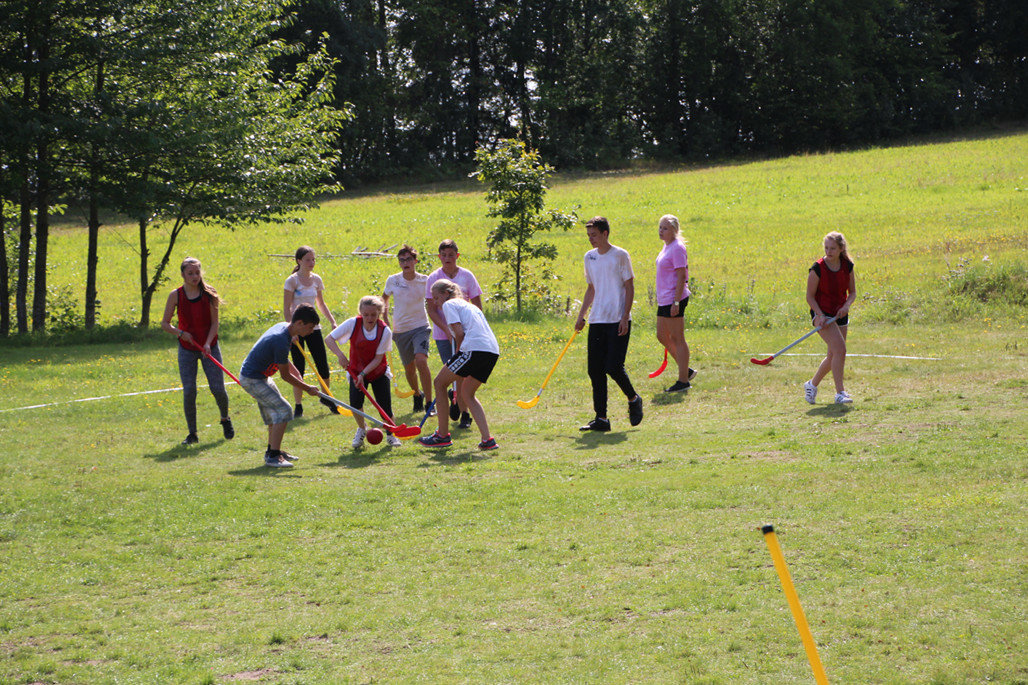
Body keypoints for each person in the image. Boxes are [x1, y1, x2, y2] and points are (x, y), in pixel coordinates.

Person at [575, 216, 643, 431]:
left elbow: (629, 287)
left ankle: (633, 399)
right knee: (595, 370)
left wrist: (625, 317)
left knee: (613, 366)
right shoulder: (589, 257)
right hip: (597, 319)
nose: (591, 239)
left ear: (605, 234)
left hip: (617, 319)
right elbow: (591, 288)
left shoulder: (620, 255)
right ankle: (601, 419)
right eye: (588, 236)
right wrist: (581, 314)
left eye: (594, 235)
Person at [418, 279, 500, 450]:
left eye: (437, 298)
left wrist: (458, 354)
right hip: (491, 351)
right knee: (467, 392)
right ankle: (487, 440)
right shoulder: (469, 306)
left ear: (446, 294)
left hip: (473, 349)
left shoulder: (450, 305)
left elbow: (459, 333)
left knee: (439, 383)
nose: (437, 303)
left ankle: (442, 436)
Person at [160, 257, 234, 445]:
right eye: (190, 273)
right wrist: (180, 333)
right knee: (189, 390)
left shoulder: (209, 294)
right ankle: (192, 433)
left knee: (217, 388)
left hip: (209, 346)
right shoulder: (175, 295)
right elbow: (165, 323)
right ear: (183, 275)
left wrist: (208, 343)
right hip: (187, 348)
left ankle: (225, 418)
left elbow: (215, 323)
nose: (194, 276)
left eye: (197, 272)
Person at [238, 304, 321, 467]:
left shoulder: (285, 329)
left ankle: (273, 451)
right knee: (284, 410)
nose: (311, 331)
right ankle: (273, 457)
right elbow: (284, 376)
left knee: (275, 413)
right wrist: (307, 388)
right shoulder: (280, 339)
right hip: (252, 378)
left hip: (261, 376)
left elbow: (282, 359)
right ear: (299, 324)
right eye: (310, 327)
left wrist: (297, 373)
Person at [325, 296, 403, 449]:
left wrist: (363, 375)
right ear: (360, 312)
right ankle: (362, 428)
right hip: (355, 370)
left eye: (373, 315)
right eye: (366, 314)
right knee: (355, 403)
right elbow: (329, 339)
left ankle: (391, 433)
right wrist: (340, 355)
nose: (369, 318)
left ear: (379, 313)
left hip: (378, 371)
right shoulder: (353, 323)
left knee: (384, 406)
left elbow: (378, 358)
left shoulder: (384, 331)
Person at [425, 239, 483, 430]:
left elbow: (476, 304)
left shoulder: (467, 276)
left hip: (465, 333)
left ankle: (464, 413)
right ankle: (455, 400)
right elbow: (432, 309)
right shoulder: (433, 278)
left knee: (464, 373)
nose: (447, 258)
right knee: (452, 372)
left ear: (457, 256)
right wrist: (446, 330)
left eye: (451, 255)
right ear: (439, 256)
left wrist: (470, 330)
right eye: (444, 255)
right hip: (444, 335)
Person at [283, 245, 338, 417]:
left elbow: (321, 303)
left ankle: (328, 398)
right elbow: (286, 308)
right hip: (297, 329)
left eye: (313, 259)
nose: (311, 262)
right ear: (299, 261)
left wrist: (332, 321)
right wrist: (290, 331)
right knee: (299, 368)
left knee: (322, 363)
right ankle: (298, 405)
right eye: (308, 259)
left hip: (314, 328)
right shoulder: (292, 281)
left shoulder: (317, 280)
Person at [804, 231, 857, 404]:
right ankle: (840, 393)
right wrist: (819, 315)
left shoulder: (847, 266)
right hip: (822, 314)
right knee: (840, 350)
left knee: (834, 354)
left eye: (833, 248)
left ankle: (811, 385)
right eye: (826, 248)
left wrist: (846, 306)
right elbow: (810, 297)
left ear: (841, 249)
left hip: (840, 313)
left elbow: (853, 293)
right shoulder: (817, 268)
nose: (829, 251)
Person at [382, 245, 434, 415]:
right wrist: (385, 320)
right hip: (400, 330)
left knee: (421, 361)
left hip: (421, 327)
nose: (405, 263)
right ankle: (417, 394)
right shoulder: (393, 280)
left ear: (415, 261)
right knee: (409, 369)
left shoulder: (425, 280)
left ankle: (429, 403)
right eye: (402, 260)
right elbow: (384, 300)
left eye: (409, 259)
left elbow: (435, 300)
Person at [654, 214, 697, 393]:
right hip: (664, 298)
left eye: (665, 228)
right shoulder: (666, 247)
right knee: (662, 336)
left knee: (677, 338)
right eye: (660, 228)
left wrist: (677, 302)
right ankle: (685, 369)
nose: (661, 231)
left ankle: (683, 381)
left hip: (674, 298)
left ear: (674, 230)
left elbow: (681, 276)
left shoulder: (678, 248)